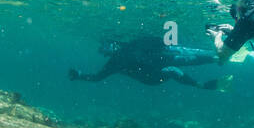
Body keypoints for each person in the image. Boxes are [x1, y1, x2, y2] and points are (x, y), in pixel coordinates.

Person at [69, 36, 224, 89]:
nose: (108, 47)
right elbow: (97, 78)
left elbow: (156, 43)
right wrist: (79, 75)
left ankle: (216, 57)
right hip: (150, 78)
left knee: (176, 54)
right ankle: (201, 85)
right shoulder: (114, 62)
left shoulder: (130, 45)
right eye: (105, 48)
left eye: (107, 44)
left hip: (155, 64)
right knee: (172, 69)